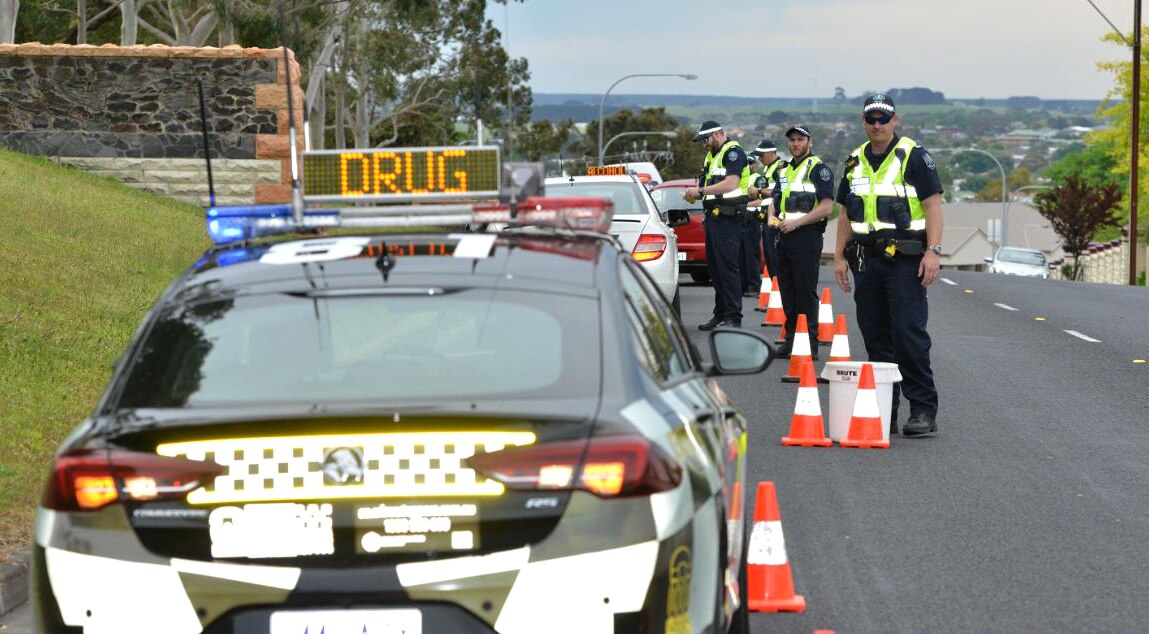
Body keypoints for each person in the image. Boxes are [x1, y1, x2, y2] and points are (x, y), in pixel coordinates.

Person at [832, 94, 943, 437]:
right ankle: (885, 410)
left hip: (906, 261)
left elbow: (934, 206)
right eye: (871, 119)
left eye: (884, 118)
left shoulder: (913, 156)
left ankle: (922, 409)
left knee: (908, 335)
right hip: (866, 260)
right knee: (876, 338)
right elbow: (846, 214)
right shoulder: (854, 161)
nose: (877, 125)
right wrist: (837, 257)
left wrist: (933, 251)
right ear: (863, 122)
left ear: (895, 120)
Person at [771, 126, 833, 357]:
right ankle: (790, 340)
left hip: (806, 237)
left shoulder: (819, 169)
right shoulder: (785, 170)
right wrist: (771, 217)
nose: (795, 144)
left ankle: (809, 343)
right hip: (784, 236)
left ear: (810, 142)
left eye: (800, 139)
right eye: (792, 140)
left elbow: (827, 207)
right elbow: (775, 199)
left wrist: (797, 223)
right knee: (788, 291)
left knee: (805, 292)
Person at [684, 120, 749, 330]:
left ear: (718, 134)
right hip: (714, 218)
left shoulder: (733, 152)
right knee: (716, 270)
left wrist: (701, 192)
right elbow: (708, 183)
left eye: (706, 139)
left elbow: (732, 183)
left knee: (728, 268)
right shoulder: (712, 156)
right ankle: (720, 314)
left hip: (729, 218)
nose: (704, 144)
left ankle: (733, 317)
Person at [750, 139, 785, 280]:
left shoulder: (780, 167)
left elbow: (779, 192)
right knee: (769, 256)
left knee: (774, 256)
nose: (759, 159)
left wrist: (759, 189)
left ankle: (779, 289)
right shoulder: (767, 168)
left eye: (761, 155)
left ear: (771, 152)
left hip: (775, 216)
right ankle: (775, 287)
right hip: (765, 217)